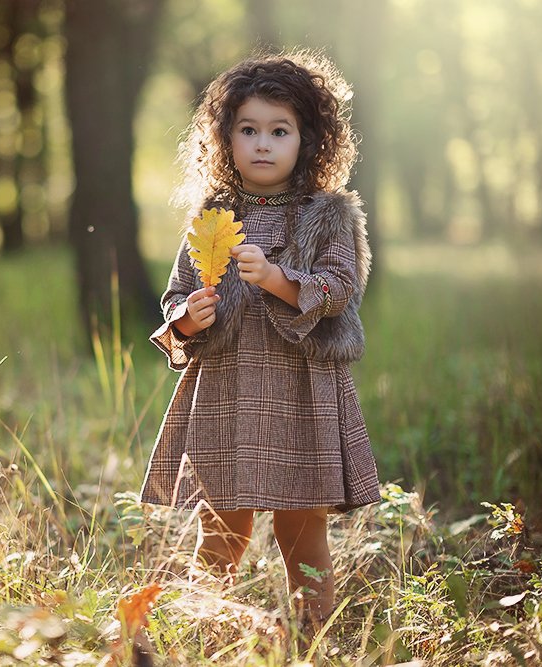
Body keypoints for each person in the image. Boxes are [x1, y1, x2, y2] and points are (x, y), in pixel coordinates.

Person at [140, 51, 382, 640]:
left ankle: (310, 637)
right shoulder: (214, 215)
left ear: (309, 140)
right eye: (248, 130)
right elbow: (177, 292)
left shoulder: (326, 215)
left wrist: (277, 279)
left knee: (302, 526)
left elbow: (341, 284)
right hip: (227, 389)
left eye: (280, 131)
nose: (263, 144)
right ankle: (203, 627)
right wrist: (189, 318)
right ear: (226, 140)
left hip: (300, 392)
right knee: (222, 523)